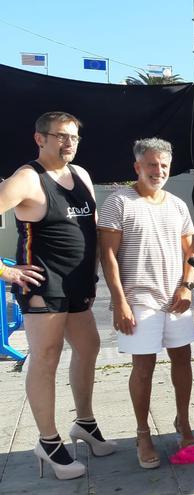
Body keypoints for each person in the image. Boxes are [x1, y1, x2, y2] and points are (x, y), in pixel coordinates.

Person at [0, 111, 116, 480]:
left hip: (80, 284)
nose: (69, 143)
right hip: (43, 286)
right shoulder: (26, 179)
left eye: (74, 138)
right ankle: (48, 442)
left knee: (89, 348)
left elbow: (92, 228)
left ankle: (83, 423)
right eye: (61, 137)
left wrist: (97, 272)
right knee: (46, 358)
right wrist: (7, 272)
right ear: (40, 139)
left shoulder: (80, 175)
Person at [98, 138, 194, 470]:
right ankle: (143, 434)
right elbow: (108, 255)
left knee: (183, 361)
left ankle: (183, 423)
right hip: (138, 299)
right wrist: (120, 303)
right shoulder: (118, 202)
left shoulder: (178, 205)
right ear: (137, 167)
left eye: (164, 166)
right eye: (152, 165)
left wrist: (187, 286)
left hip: (176, 299)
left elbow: (191, 253)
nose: (159, 171)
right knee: (143, 369)